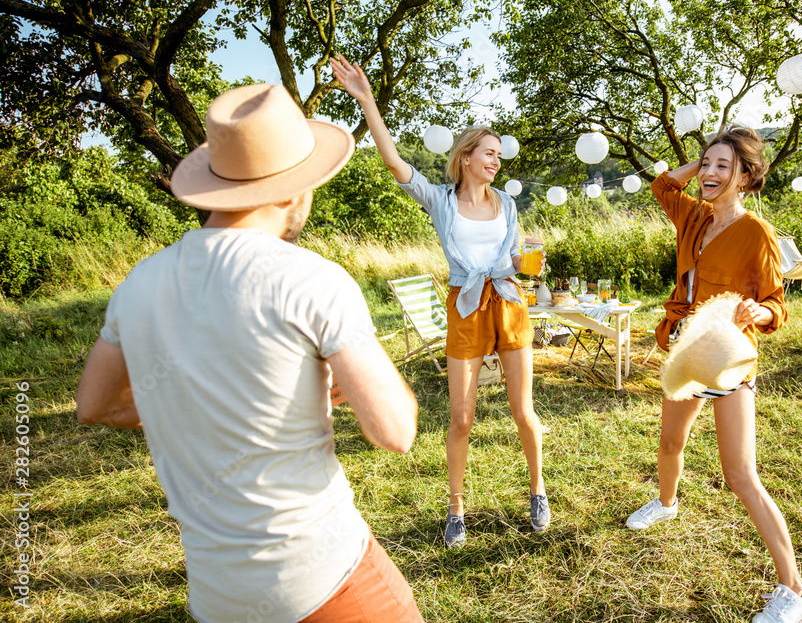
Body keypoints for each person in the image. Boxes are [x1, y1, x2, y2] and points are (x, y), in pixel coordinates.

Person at [75, 84, 424, 623]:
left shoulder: (137, 284)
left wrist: (200, 403)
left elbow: (95, 405)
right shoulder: (312, 280)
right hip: (325, 580)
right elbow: (394, 431)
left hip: (217, 596)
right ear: (292, 192)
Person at [331, 55, 549, 549]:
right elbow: (392, 162)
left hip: (509, 302)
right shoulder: (440, 200)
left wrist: (526, 262)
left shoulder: (508, 204)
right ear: (467, 156)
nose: (495, 161)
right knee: (462, 417)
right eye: (488, 153)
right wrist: (367, 100)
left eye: (499, 155)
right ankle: (455, 507)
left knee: (523, 410)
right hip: (465, 304)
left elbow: (513, 257)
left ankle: (537, 490)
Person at [627, 126, 802, 623]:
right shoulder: (693, 216)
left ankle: (795, 590)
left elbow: (778, 304)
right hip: (686, 352)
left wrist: (762, 313)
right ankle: (666, 504)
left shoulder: (758, 234)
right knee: (670, 444)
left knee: (739, 475)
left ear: (747, 177)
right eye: (705, 164)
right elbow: (663, 186)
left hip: (729, 356)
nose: (708, 174)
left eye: (721, 167)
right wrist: (707, 164)